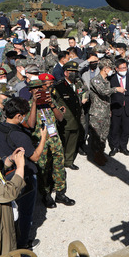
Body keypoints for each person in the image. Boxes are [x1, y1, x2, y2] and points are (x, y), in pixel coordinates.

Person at [0, 97, 47, 250]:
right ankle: (23, 243)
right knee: (25, 212)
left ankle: (11, 238)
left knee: (12, 211)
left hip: (5, 174)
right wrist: (43, 138)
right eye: (23, 114)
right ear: (18, 116)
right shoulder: (19, 136)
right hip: (24, 175)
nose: (24, 117)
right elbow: (35, 156)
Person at [26, 80, 75, 208]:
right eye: (35, 89)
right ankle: (46, 194)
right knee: (43, 169)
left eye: (40, 88)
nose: (38, 91)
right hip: (40, 142)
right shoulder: (28, 105)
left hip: (54, 139)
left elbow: (60, 118)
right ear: (30, 91)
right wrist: (35, 104)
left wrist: (51, 104)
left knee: (59, 165)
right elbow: (30, 125)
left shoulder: (50, 101)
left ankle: (60, 193)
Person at [52, 61, 88, 170]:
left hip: (77, 118)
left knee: (72, 142)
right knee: (63, 142)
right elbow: (53, 100)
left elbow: (85, 91)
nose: (73, 73)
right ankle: (59, 163)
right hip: (65, 119)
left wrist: (85, 97)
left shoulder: (78, 83)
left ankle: (69, 161)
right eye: (71, 71)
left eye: (75, 71)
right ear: (65, 72)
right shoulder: (59, 86)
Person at [89, 58, 124, 165]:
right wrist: (116, 89)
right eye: (110, 68)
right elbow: (103, 92)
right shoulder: (95, 80)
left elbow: (107, 98)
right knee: (96, 136)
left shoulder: (106, 81)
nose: (111, 71)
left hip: (105, 113)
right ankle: (96, 155)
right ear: (105, 69)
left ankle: (101, 153)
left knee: (104, 136)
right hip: (97, 114)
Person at [109, 59, 129, 156]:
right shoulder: (112, 79)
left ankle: (123, 147)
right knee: (115, 128)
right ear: (116, 69)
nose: (124, 70)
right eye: (121, 68)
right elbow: (108, 94)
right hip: (116, 107)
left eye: (125, 68)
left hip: (128, 107)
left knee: (126, 129)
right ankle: (114, 147)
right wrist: (109, 108)